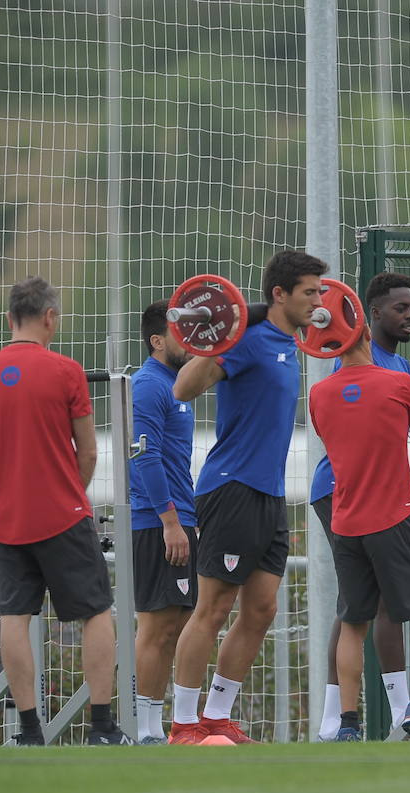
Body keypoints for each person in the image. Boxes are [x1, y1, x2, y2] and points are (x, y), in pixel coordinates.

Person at [0, 276, 128, 745]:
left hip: (6, 519)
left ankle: (30, 731)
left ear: (9, 317)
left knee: (14, 617)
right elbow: (90, 452)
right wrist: (67, 491)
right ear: (49, 317)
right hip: (62, 514)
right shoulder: (66, 371)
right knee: (96, 611)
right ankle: (101, 726)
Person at [168, 249, 325, 744]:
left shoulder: (288, 342)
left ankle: (217, 716)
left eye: (320, 291)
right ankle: (184, 725)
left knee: (261, 609)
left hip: (269, 495)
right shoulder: (248, 341)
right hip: (231, 487)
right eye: (309, 292)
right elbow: (182, 389)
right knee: (212, 608)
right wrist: (218, 338)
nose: (319, 301)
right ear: (280, 294)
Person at [311, 272, 410, 741]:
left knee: (354, 614)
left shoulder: (320, 394)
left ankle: (346, 724)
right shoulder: (394, 381)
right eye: (402, 308)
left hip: (345, 509)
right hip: (387, 509)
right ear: (367, 318)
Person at [128, 301, 197, 744]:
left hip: (181, 518)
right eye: (181, 334)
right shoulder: (149, 384)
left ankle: (161, 726)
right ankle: (146, 731)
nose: (189, 342)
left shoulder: (180, 384)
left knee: (175, 624)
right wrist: (170, 521)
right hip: (157, 522)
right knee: (155, 626)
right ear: (158, 340)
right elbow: (143, 456)